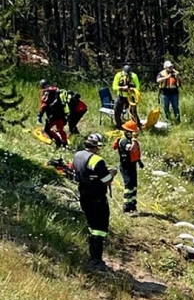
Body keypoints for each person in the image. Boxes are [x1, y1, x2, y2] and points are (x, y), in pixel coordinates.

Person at [73, 133, 118, 271]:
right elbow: (106, 180)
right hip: (97, 198)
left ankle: (92, 255)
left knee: (91, 225)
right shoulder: (97, 160)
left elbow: (83, 171)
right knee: (99, 228)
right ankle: (96, 260)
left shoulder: (78, 155)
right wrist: (112, 173)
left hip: (84, 195)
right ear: (96, 146)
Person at [113, 121, 144, 214]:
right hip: (125, 166)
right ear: (126, 131)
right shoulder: (123, 141)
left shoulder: (131, 140)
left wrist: (139, 161)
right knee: (129, 185)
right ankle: (126, 206)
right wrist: (134, 139)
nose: (134, 134)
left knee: (134, 185)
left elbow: (135, 153)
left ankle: (133, 205)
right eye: (132, 132)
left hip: (132, 165)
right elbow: (132, 149)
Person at [37, 82, 69, 149]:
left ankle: (58, 141)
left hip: (53, 115)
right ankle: (65, 144)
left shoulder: (47, 93)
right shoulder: (57, 91)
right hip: (61, 115)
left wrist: (40, 115)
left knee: (47, 129)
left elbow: (44, 105)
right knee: (60, 130)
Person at [112, 64, 140, 130]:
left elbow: (138, 87)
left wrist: (132, 89)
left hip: (130, 96)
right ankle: (119, 126)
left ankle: (137, 126)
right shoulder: (118, 75)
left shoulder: (134, 76)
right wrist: (122, 88)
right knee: (116, 111)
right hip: (120, 96)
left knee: (133, 112)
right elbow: (114, 87)